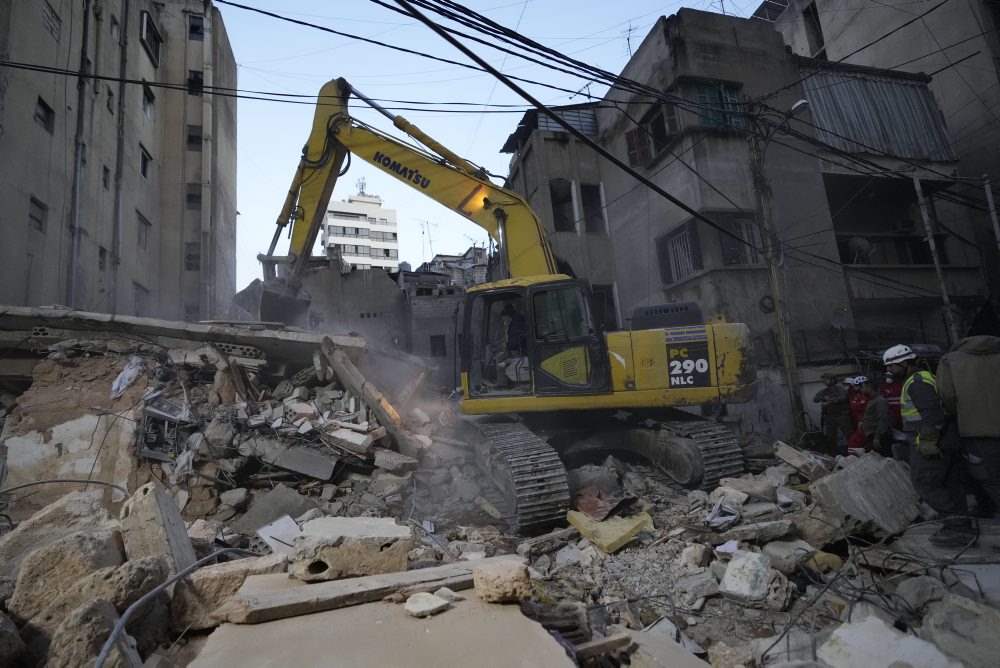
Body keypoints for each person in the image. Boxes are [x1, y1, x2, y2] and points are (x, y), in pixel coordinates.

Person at [884, 344, 971, 547]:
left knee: (925, 483)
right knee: (950, 483)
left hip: (930, 442)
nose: (889, 372)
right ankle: (960, 524)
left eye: (891, 367)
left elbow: (932, 413)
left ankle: (956, 528)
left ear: (905, 363)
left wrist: (928, 442)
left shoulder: (917, 382)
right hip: (945, 440)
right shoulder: (922, 378)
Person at [937, 335, 1000, 517]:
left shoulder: (951, 360)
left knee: (989, 478)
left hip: (977, 432)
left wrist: (963, 415)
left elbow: (947, 397)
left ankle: (987, 508)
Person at [813, 374, 852, 455]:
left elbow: (844, 397)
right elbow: (815, 399)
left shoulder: (840, 388)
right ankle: (834, 456)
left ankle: (854, 453)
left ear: (833, 379)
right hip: (829, 416)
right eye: (824, 379)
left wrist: (830, 401)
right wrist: (823, 398)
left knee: (849, 435)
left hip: (841, 415)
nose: (825, 381)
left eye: (827, 379)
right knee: (831, 437)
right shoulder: (825, 391)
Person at [859, 378, 891, 456]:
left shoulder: (880, 401)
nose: (861, 390)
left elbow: (883, 419)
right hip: (872, 435)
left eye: (863, 387)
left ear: (870, 388)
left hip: (880, 437)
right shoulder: (872, 400)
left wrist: (877, 437)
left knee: (884, 458)